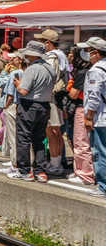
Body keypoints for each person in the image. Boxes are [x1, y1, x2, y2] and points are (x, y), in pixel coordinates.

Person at [8, 41, 55, 182]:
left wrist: (18, 84)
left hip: (29, 106)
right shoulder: (50, 68)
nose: (26, 56)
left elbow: (23, 91)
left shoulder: (31, 69)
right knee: (39, 140)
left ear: (32, 54)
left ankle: (24, 171)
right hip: (45, 105)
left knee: (23, 138)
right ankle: (40, 171)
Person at [35, 29, 69, 176]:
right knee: (57, 131)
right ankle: (57, 162)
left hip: (50, 97)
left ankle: (54, 165)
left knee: (51, 131)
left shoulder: (51, 57)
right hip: (58, 97)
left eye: (41, 41)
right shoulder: (61, 55)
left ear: (47, 43)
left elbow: (47, 78)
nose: (39, 44)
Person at [80, 37, 106, 198]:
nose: (85, 53)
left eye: (87, 50)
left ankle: (103, 187)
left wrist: (89, 118)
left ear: (95, 52)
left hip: (100, 118)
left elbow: (94, 97)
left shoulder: (96, 70)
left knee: (100, 152)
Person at [66, 44, 95, 185]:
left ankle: (85, 174)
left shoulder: (82, 73)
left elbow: (73, 94)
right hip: (91, 109)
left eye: (71, 53)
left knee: (81, 141)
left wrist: (69, 87)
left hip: (81, 108)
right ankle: (82, 170)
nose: (69, 56)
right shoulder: (92, 69)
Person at [0, 53, 28, 174]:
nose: (11, 60)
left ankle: (15, 164)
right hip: (24, 106)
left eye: (13, 58)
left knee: (12, 137)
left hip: (13, 106)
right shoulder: (27, 72)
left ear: (20, 60)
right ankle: (24, 163)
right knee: (23, 137)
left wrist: (5, 106)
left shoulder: (14, 73)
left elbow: (10, 93)